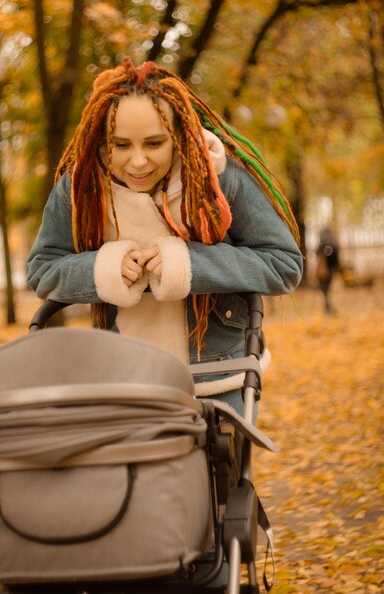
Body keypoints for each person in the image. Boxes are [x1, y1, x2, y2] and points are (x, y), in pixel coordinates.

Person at [27, 57, 303, 413]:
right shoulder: (81, 189)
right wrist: (105, 268)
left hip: (217, 379)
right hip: (123, 384)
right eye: (121, 145)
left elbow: (283, 263)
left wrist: (187, 264)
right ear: (99, 140)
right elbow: (42, 269)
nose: (138, 161)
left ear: (177, 135)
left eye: (154, 143)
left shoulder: (217, 176)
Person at [315, 226, 340, 314]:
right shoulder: (332, 243)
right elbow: (335, 258)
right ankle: (327, 306)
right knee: (326, 289)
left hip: (324, 270)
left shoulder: (323, 245)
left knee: (325, 289)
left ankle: (327, 306)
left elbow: (320, 255)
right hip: (328, 270)